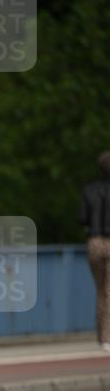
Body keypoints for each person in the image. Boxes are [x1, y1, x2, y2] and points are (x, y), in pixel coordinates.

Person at [78, 151, 110, 352]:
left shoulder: (90, 190)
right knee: (109, 291)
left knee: (101, 290)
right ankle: (107, 337)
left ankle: (102, 337)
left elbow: (82, 218)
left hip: (95, 241)